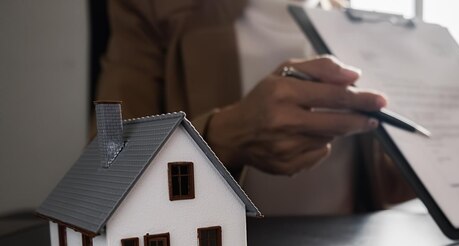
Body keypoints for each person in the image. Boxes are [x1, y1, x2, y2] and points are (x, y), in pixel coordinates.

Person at [94, 0, 413, 214]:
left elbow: (387, 184)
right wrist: (223, 138)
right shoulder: (151, 11)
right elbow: (109, 167)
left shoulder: (360, 24)